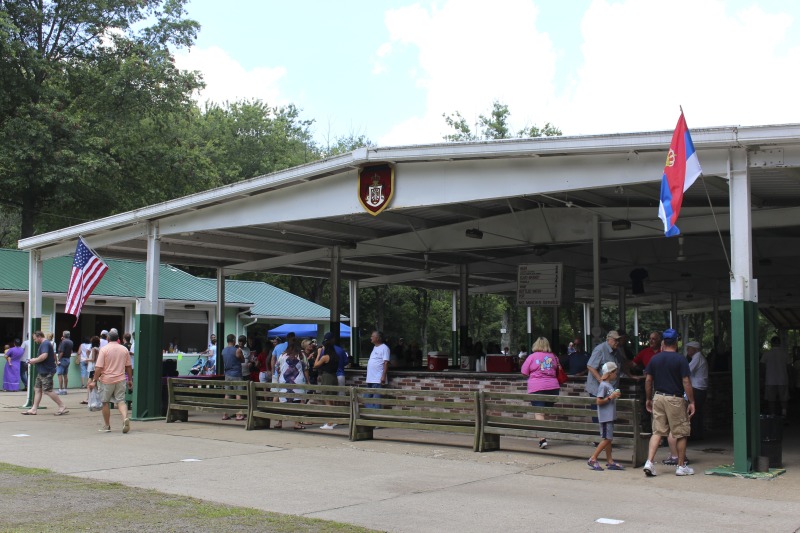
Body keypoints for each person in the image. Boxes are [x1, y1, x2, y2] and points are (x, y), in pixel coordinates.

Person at [643, 328, 695, 477]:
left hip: (658, 397)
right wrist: (691, 401)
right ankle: (680, 466)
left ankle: (649, 462)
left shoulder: (655, 359)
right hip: (675, 398)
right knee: (681, 432)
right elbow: (686, 381)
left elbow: (648, 380)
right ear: (676, 342)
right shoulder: (680, 359)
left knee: (657, 431)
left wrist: (648, 398)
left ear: (663, 342)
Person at [520, 336, 561, 449]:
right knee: (544, 412)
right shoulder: (553, 357)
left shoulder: (532, 357)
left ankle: (542, 439)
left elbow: (524, 372)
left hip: (537, 387)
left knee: (539, 413)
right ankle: (543, 435)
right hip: (553, 387)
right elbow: (558, 371)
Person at [89, 329, 133, 433]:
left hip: (106, 380)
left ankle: (107, 425)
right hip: (121, 379)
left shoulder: (104, 350)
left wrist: (94, 380)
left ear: (108, 338)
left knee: (105, 402)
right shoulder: (124, 349)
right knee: (121, 401)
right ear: (118, 339)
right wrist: (130, 379)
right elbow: (129, 366)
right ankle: (125, 418)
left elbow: (99, 367)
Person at [587, 362, 624, 471]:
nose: (616, 375)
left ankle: (610, 460)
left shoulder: (608, 385)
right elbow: (598, 401)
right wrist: (610, 397)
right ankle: (593, 458)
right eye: (614, 372)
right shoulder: (603, 385)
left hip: (609, 416)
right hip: (605, 417)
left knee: (608, 439)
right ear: (609, 373)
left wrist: (614, 395)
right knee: (607, 439)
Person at [22, 330, 68, 415]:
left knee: (47, 390)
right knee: (37, 389)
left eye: (35, 339)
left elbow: (44, 355)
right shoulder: (45, 344)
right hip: (42, 371)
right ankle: (34, 409)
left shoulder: (45, 344)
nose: (35, 341)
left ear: (39, 337)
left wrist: (34, 360)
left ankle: (62, 406)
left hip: (47, 371)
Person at [276, 340, 310, 429]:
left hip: (284, 381)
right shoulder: (301, 356)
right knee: (298, 403)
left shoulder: (282, 355)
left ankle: (280, 422)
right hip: (298, 382)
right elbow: (305, 369)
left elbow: (277, 367)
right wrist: (308, 381)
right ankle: (296, 423)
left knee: (282, 403)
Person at [314, 332, 340, 429]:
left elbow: (316, 365)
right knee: (332, 399)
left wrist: (319, 354)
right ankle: (333, 420)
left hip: (327, 376)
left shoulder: (325, 357)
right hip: (334, 376)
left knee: (327, 399)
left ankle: (330, 422)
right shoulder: (336, 356)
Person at [761, 336, 791, 418]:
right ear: (779, 343)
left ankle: (772, 415)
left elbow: (762, 367)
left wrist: (764, 377)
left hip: (770, 380)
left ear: (771, 343)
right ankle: (784, 414)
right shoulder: (785, 353)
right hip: (783, 379)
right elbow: (789, 368)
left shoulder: (766, 354)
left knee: (771, 399)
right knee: (784, 398)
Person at [686, 341, 708, 441]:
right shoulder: (698, 357)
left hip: (697, 388)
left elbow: (687, 370)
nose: (687, 351)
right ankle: (698, 434)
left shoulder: (697, 357)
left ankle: (694, 435)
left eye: (689, 348)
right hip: (700, 388)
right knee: (698, 411)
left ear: (694, 349)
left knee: (692, 411)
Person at [220, 334, 245, 421]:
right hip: (236, 374)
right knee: (238, 394)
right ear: (234, 340)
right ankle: (239, 415)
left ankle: (225, 414)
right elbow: (242, 360)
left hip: (227, 374)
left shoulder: (223, 351)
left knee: (227, 395)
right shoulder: (237, 350)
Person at [365, 330, 390, 409]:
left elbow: (386, 363)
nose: (371, 338)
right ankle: (372, 412)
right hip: (370, 378)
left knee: (376, 400)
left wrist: (383, 376)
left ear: (378, 338)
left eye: (372, 336)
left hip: (377, 378)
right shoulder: (374, 347)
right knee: (365, 398)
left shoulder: (384, 348)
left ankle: (375, 414)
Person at [81, 336, 101, 405]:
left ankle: (88, 398)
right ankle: (92, 398)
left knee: (89, 384)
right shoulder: (98, 349)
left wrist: (86, 359)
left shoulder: (94, 349)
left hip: (92, 368)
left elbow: (93, 359)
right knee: (94, 383)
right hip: (95, 368)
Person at [56, 330, 73, 394]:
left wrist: (58, 360)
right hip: (68, 359)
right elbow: (71, 351)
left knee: (59, 374)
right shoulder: (71, 342)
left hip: (62, 359)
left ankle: (60, 389)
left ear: (63, 335)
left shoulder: (63, 342)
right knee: (65, 375)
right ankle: (65, 389)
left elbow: (61, 352)